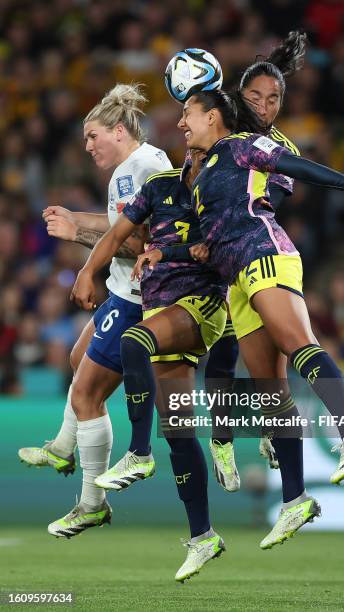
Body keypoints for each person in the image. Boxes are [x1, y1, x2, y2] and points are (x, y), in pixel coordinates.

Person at [176, 89, 344, 548]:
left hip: (266, 254)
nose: (181, 124)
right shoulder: (197, 175)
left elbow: (299, 167)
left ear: (213, 117)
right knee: (273, 396)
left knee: (298, 343)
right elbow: (209, 233)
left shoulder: (240, 146)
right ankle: (295, 499)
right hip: (236, 282)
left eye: (187, 114)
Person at [18, 83, 172, 538]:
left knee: (86, 394)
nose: (87, 147)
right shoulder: (148, 162)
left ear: (119, 131)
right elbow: (121, 227)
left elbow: (138, 243)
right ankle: (64, 447)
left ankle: (91, 504)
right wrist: (78, 221)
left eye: (92, 136)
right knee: (75, 361)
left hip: (137, 301)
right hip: (129, 295)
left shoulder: (132, 172)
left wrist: (81, 241)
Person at [70, 150, 227, 582]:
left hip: (200, 304)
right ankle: (203, 536)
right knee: (178, 432)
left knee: (133, 340)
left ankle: (139, 453)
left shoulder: (219, 192)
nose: (185, 131)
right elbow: (117, 233)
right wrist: (88, 271)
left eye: (191, 120)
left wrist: (168, 251)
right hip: (161, 310)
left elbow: (220, 248)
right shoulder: (158, 186)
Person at [206, 31, 308, 494]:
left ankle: (271, 426)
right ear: (239, 97)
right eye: (254, 97)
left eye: (273, 99)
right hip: (209, 254)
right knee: (223, 352)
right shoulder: (219, 130)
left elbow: (265, 201)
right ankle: (222, 440)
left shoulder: (283, 149)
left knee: (269, 358)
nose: (264, 107)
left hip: (252, 249)